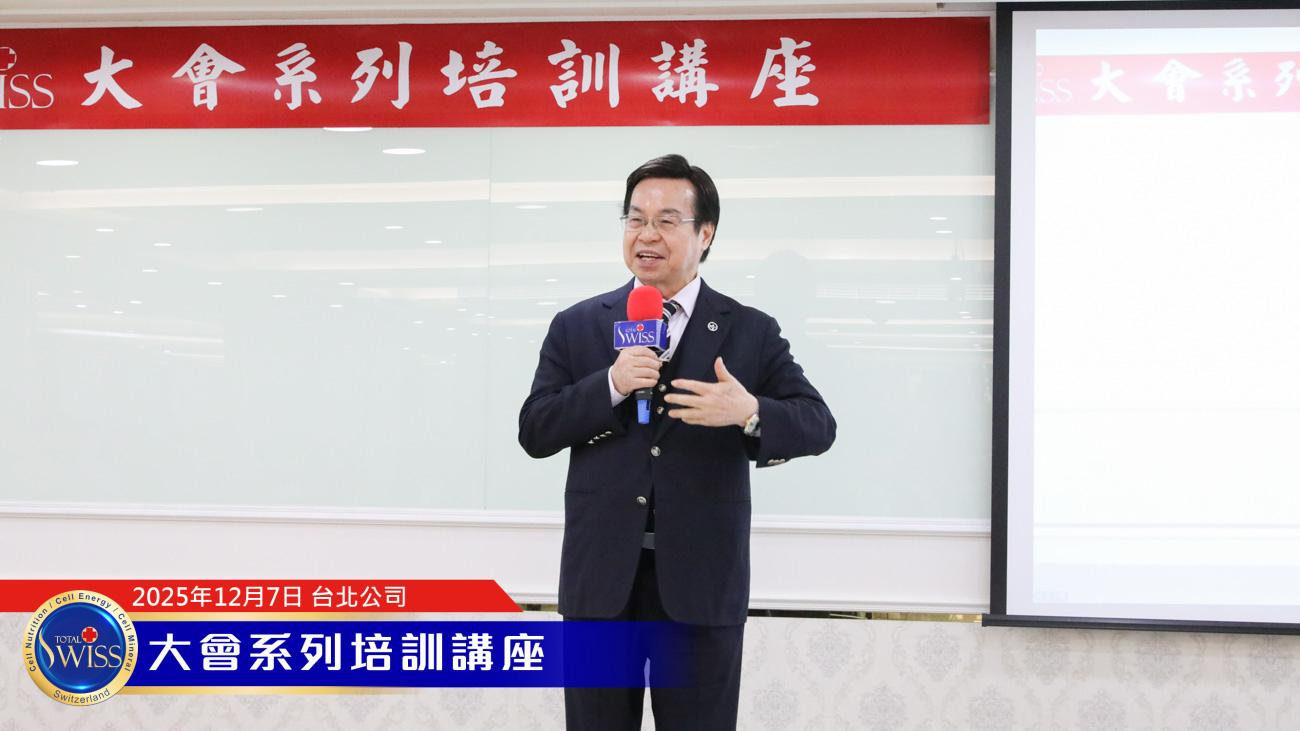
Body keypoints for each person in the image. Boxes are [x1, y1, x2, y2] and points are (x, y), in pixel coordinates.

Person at [518, 154, 836, 730]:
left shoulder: (748, 329)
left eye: (666, 221)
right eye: (635, 219)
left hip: (700, 586)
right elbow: (535, 429)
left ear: (705, 233)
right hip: (601, 583)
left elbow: (818, 424)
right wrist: (611, 384)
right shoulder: (579, 324)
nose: (646, 235)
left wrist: (749, 413)